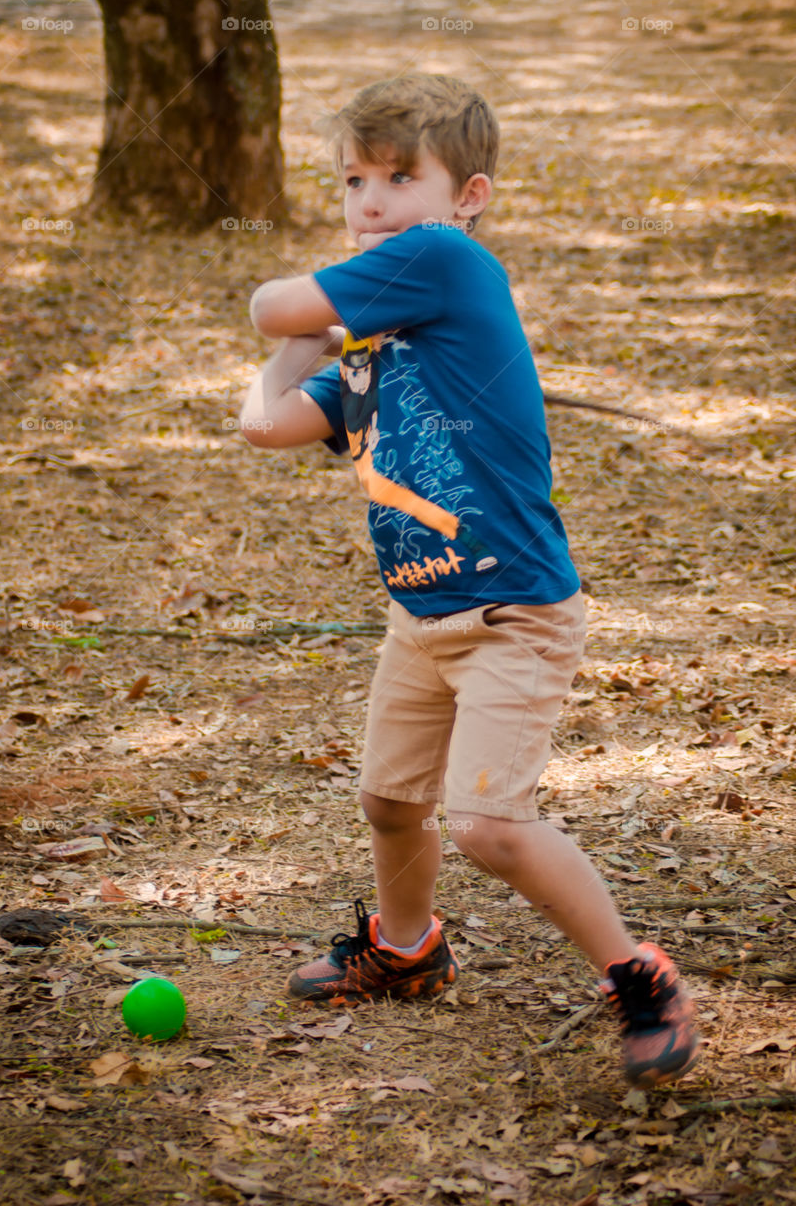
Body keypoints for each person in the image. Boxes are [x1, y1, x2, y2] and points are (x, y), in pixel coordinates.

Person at [240, 73, 699, 1089]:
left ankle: (640, 974)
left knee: (490, 824)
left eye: (399, 177)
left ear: (466, 196)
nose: (369, 202)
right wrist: (300, 347)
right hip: (420, 618)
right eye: (353, 179)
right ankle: (407, 948)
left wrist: (288, 313)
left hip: (512, 614)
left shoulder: (446, 262)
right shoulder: (368, 353)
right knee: (390, 802)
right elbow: (265, 421)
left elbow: (273, 296)